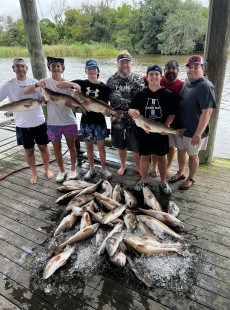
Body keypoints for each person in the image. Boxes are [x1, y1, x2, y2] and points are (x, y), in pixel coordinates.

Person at [23, 56, 80, 183]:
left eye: (58, 66)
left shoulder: (68, 85)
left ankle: (72, 169)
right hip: (53, 123)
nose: (55, 68)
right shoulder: (44, 83)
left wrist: (72, 105)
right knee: (57, 148)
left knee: (71, 147)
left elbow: (75, 105)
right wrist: (40, 91)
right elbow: (26, 91)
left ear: (62, 69)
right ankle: (61, 170)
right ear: (49, 68)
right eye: (53, 65)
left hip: (69, 121)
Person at [56, 58, 112, 181]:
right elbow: (58, 84)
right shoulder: (80, 84)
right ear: (86, 70)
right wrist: (73, 86)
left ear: (98, 70)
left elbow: (105, 111)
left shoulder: (105, 88)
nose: (92, 71)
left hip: (100, 122)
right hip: (86, 122)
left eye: (94, 68)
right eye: (89, 69)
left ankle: (103, 169)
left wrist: (108, 113)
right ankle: (91, 169)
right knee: (89, 147)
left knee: (102, 147)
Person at [0, 57, 54, 184]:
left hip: (39, 122)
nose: (20, 68)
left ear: (26, 68)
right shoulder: (9, 85)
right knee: (29, 150)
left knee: (43, 147)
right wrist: (9, 103)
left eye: (22, 66)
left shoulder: (35, 82)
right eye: (17, 66)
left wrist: (43, 99)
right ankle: (34, 173)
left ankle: (47, 169)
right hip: (22, 125)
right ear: (13, 69)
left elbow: (44, 101)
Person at [169, 55, 216, 190]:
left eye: (196, 67)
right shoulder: (188, 81)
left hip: (195, 131)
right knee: (181, 151)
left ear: (202, 68)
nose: (192, 70)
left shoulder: (205, 86)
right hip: (181, 128)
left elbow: (207, 112)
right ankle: (181, 172)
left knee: (193, 155)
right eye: (190, 67)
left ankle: (191, 178)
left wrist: (198, 133)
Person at [128, 64, 176, 194]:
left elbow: (172, 113)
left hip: (161, 132)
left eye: (156, 74)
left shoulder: (168, 94)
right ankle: (143, 180)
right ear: (147, 77)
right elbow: (131, 109)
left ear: (161, 76)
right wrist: (132, 111)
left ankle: (163, 182)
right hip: (144, 131)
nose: (154, 77)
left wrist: (167, 125)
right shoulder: (140, 94)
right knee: (144, 157)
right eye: (151, 74)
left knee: (161, 157)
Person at [107, 50, 145, 176]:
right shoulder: (111, 81)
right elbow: (109, 100)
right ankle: (123, 165)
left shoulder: (138, 79)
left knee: (136, 144)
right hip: (117, 119)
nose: (124, 65)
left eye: (127, 62)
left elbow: (143, 99)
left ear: (131, 63)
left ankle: (138, 167)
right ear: (118, 64)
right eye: (121, 62)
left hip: (134, 120)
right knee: (120, 144)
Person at [150, 59, 184, 177]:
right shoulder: (159, 79)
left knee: (170, 146)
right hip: (157, 121)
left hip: (173, 121)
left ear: (178, 71)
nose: (171, 71)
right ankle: (154, 166)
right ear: (164, 70)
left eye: (173, 68)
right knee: (155, 145)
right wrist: (118, 73)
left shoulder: (182, 85)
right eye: (168, 68)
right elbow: (145, 76)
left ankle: (168, 166)